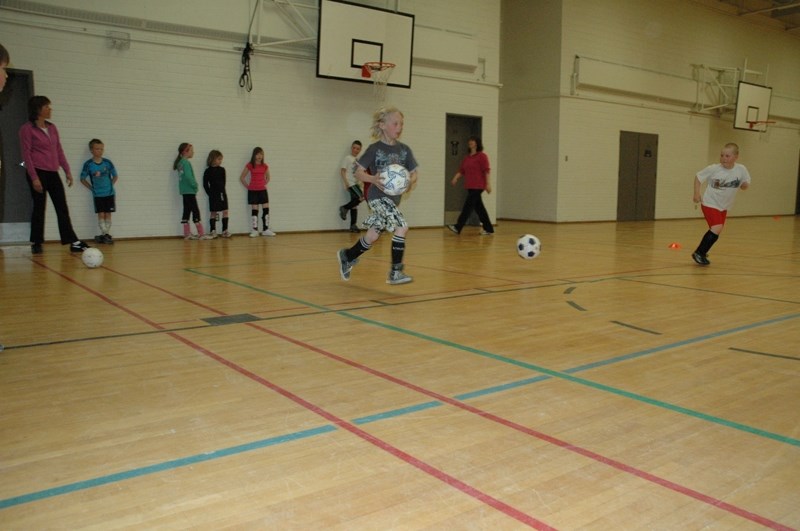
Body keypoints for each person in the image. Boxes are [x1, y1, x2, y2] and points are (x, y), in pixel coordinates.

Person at [337, 106, 418, 285]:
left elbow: (414, 173)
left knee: (372, 236)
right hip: (376, 197)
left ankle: (348, 256)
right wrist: (372, 178)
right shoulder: (375, 149)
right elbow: (357, 172)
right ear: (382, 125)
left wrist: (409, 183)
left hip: (393, 201)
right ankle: (396, 272)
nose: (399, 127)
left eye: (401, 124)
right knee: (401, 227)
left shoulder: (404, 150)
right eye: (395, 123)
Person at [19, 96, 89, 254]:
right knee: (39, 207)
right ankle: (36, 242)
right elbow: (27, 154)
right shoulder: (27, 129)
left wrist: (67, 170)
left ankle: (72, 241)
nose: (50, 109)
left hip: (52, 173)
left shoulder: (52, 128)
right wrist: (34, 177)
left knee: (62, 207)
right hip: (37, 172)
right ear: (38, 109)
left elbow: (59, 150)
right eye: (47, 107)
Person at [691, 142, 751, 265]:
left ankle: (703, 251)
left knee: (716, 230)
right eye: (722, 155)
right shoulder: (713, 169)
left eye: (727, 156)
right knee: (716, 228)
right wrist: (696, 193)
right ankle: (699, 252)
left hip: (724, 206)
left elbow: (745, 185)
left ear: (736, 157)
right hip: (710, 203)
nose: (724, 158)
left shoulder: (741, 169)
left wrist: (744, 185)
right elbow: (698, 177)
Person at [447, 136, 494, 235]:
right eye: (470, 141)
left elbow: (486, 170)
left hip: (478, 186)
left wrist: (488, 184)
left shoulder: (482, 156)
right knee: (479, 208)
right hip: (470, 186)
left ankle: (458, 227)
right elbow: (462, 170)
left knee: (467, 206)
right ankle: (488, 228)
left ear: (477, 143)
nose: (470, 142)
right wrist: (456, 177)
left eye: (473, 141)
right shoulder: (467, 158)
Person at [80, 139, 118, 244]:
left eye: (101, 149)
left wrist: (110, 185)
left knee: (108, 213)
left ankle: (106, 234)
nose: (100, 151)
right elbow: (82, 179)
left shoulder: (107, 162)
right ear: (91, 150)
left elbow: (115, 175)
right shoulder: (88, 164)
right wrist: (91, 188)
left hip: (109, 193)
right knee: (101, 213)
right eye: (97, 149)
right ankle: (104, 233)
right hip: (98, 195)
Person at [173, 143, 212, 240]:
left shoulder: (180, 163)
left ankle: (187, 234)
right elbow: (188, 177)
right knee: (195, 210)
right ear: (185, 152)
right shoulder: (185, 163)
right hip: (189, 190)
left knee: (187, 210)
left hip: (184, 191)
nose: (193, 152)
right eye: (191, 150)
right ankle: (201, 234)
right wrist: (195, 185)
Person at [240, 146, 275, 237]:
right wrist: (248, 187)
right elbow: (242, 178)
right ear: (254, 155)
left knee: (266, 209)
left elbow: (268, 177)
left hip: (262, 191)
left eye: (261, 154)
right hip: (253, 191)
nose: (260, 156)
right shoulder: (250, 165)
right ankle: (254, 230)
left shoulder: (265, 166)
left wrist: (263, 183)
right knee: (255, 210)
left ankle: (265, 229)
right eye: (258, 154)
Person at [203, 149, 231, 238]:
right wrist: (210, 194)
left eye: (221, 159)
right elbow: (205, 184)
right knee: (213, 212)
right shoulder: (207, 171)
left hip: (222, 194)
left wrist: (221, 191)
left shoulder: (222, 170)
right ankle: (213, 230)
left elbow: (223, 182)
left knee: (225, 211)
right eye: (219, 159)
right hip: (213, 195)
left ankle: (224, 230)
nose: (220, 161)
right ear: (213, 159)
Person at [337, 140, 364, 232]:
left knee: (354, 204)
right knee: (361, 197)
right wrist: (346, 183)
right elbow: (342, 171)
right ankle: (344, 208)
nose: (355, 150)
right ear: (351, 148)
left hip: (356, 183)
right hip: (350, 183)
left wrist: (361, 182)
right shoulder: (347, 158)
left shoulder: (358, 161)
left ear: (360, 150)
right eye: (354, 148)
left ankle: (353, 225)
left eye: (358, 149)